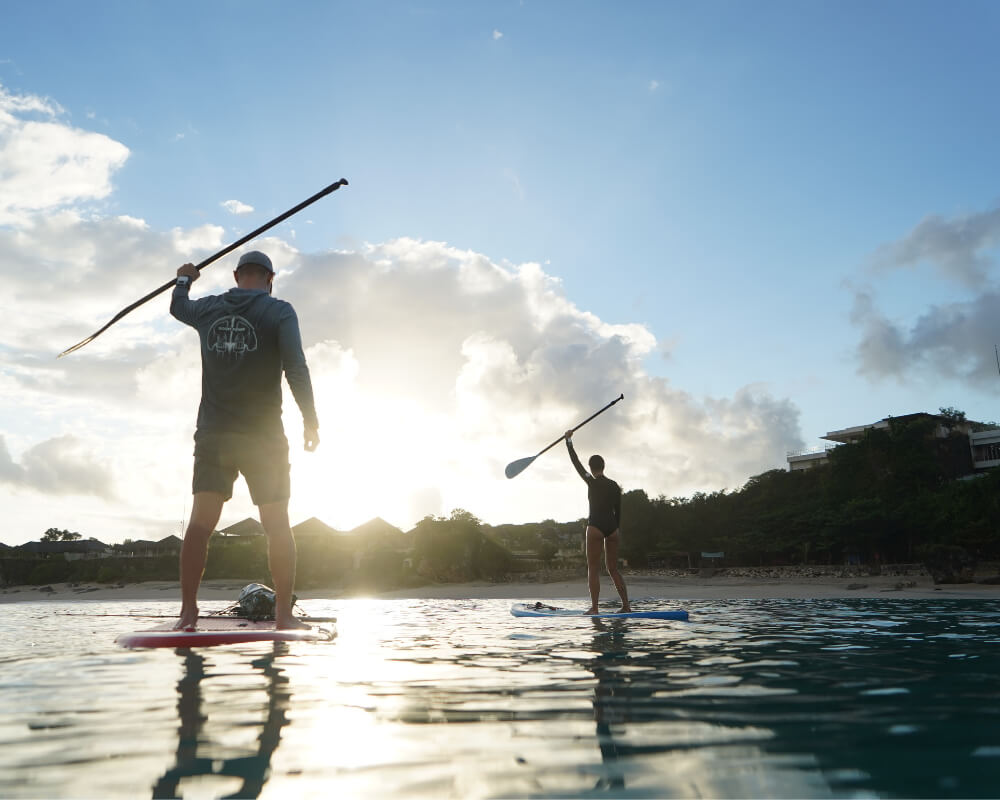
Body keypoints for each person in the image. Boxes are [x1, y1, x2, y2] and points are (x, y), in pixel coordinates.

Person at [169, 250, 320, 630]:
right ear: (271, 278)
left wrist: (184, 278)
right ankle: (284, 615)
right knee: (277, 525)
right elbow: (296, 367)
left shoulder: (207, 309)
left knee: (201, 525)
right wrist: (310, 420)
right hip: (263, 437)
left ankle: (188, 614)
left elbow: (178, 307)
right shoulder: (280, 311)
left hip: (214, 435)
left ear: (238, 277)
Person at [565, 430, 630, 614]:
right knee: (613, 569)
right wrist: (616, 529)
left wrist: (568, 442)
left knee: (593, 569)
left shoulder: (591, 481)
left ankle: (595, 608)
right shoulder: (614, 485)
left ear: (591, 468)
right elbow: (619, 510)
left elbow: (576, 463)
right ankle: (626, 606)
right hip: (612, 529)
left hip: (595, 527)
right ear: (604, 466)